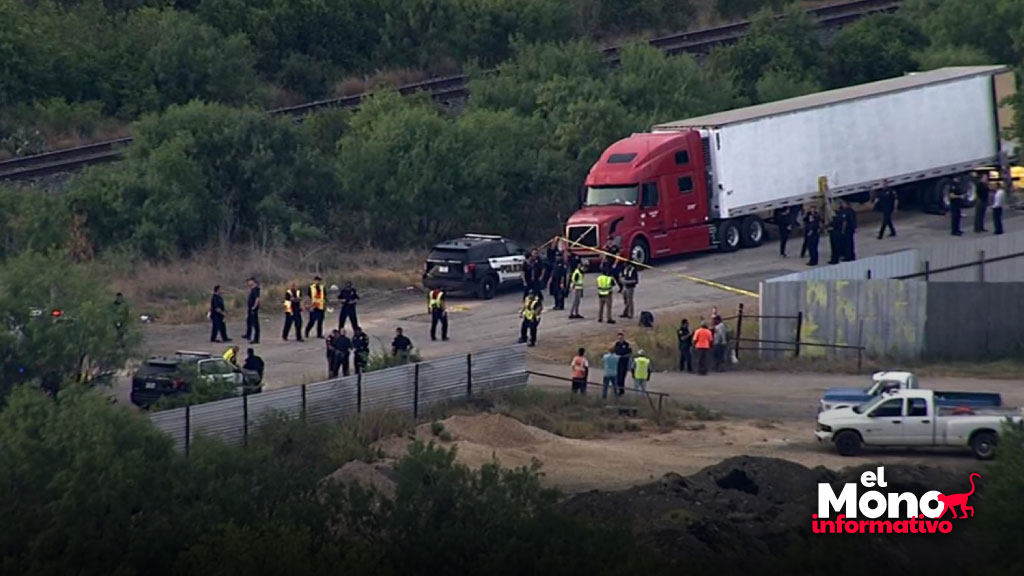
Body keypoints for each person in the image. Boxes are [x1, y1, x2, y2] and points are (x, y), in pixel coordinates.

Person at [306, 275, 326, 340]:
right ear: (314, 281)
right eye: (316, 280)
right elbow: (309, 297)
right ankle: (307, 331)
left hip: (321, 306)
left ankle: (319, 334)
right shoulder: (311, 288)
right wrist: (309, 306)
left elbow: (324, 297)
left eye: (319, 281)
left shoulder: (322, 287)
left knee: (320, 321)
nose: (318, 282)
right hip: (314, 306)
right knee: (312, 320)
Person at [613, 332, 632, 397]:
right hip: (617, 363)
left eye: (621, 338)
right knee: (617, 378)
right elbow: (614, 352)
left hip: (624, 363)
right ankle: (618, 391)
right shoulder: (617, 344)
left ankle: (621, 391)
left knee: (622, 378)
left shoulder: (627, 344)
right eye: (619, 338)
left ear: (623, 338)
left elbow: (629, 354)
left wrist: (622, 356)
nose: (620, 339)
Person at [244, 277, 261, 344]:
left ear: (253, 281)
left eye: (249, 281)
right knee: (249, 321)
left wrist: (254, 307)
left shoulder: (256, 289)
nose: (248, 283)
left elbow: (257, 299)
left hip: (253, 309)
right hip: (250, 308)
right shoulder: (252, 289)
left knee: (255, 324)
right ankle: (248, 335)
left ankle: (256, 339)